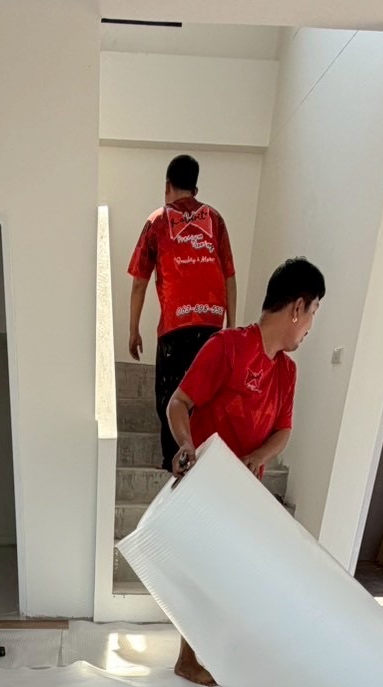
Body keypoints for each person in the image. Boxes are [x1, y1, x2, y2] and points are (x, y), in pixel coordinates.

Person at [165, 256, 326, 686]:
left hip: (244, 491)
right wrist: (186, 445)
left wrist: (256, 456)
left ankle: (213, 651)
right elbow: (179, 402)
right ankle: (186, 658)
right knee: (203, 574)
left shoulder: (286, 371)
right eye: (313, 313)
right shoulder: (228, 348)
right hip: (207, 486)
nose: (311, 327)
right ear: (298, 307)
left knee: (231, 575)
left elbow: (283, 431)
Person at [127, 153, 237, 472]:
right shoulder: (215, 219)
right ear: (195, 189)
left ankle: (172, 465)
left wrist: (133, 330)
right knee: (203, 398)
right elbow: (229, 276)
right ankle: (202, 464)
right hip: (212, 325)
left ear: (167, 186)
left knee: (170, 398)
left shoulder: (157, 222)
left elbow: (139, 283)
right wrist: (231, 325)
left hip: (175, 327)